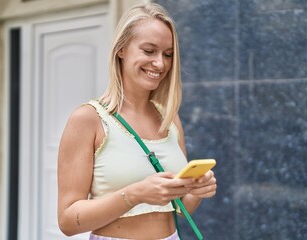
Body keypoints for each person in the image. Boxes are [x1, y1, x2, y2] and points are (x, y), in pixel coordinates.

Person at [57, 3, 217, 240]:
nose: (160, 64)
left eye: (168, 54)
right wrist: (135, 194)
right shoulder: (88, 119)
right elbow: (68, 221)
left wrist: (196, 191)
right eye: (149, 51)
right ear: (121, 49)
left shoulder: (170, 119)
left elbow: (179, 210)